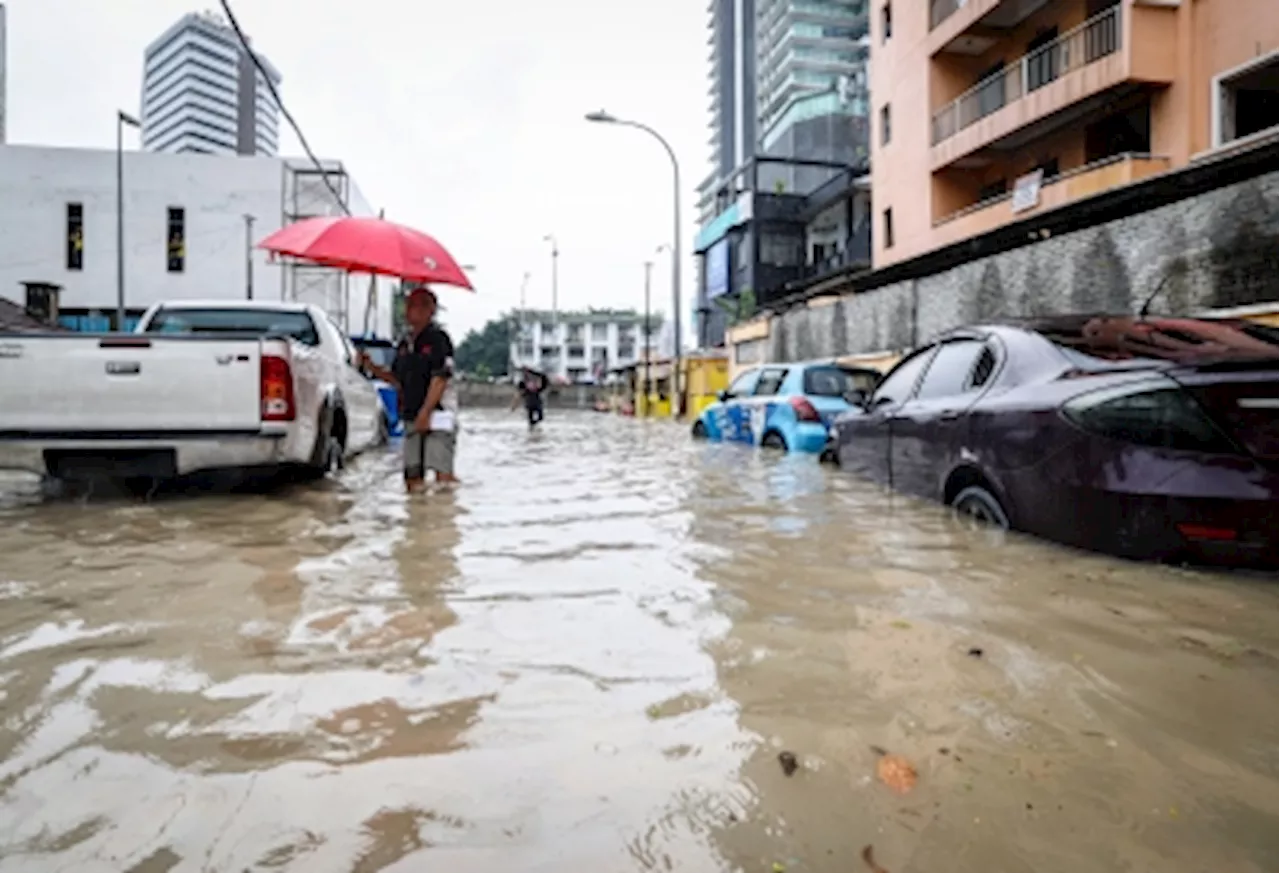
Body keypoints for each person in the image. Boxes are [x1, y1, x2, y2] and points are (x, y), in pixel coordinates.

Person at [362, 287, 458, 491]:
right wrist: (371, 367)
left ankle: (443, 517)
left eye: (413, 305)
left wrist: (426, 411)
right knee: (412, 478)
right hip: (411, 413)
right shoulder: (405, 343)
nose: (407, 311)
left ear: (429, 310)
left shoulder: (439, 339)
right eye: (407, 306)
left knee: (443, 479)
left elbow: (440, 378)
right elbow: (396, 379)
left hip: (438, 413)